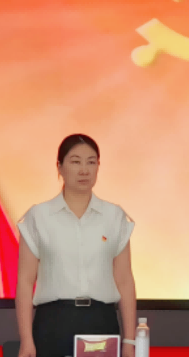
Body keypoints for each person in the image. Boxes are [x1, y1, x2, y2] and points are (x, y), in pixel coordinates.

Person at [15, 134, 137, 357]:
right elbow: (25, 281)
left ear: (98, 167)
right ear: (59, 167)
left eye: (91, 162)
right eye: (75, 162)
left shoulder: (114, 216)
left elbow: (124, 280)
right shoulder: (39, 216)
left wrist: (129, 341)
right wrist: (26, 341)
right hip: (52, 324)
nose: (84, 170)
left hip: (101, 323)